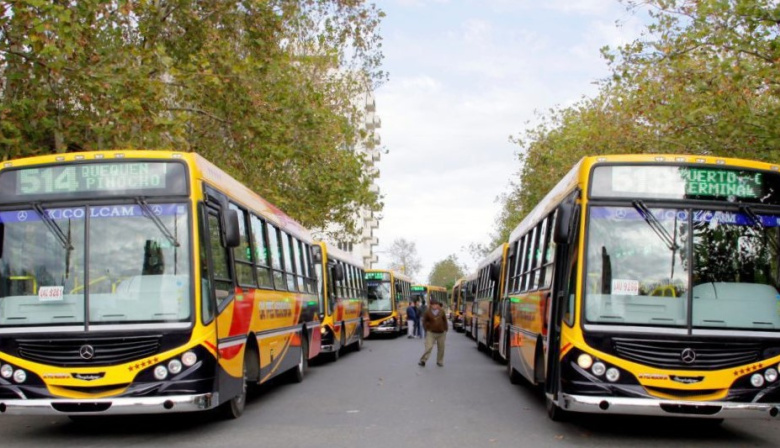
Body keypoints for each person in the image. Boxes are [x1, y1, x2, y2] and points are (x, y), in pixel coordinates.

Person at [418, 300, 448, 367]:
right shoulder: (427, 312)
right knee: (428, 347)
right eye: (433, 304)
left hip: (441, 333)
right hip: (431, 333)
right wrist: (426, 329)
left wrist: (445, 329)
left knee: (441, 348)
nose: (435, 306)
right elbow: (424, 321)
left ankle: (439, 361)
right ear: (431, 305)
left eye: (436, 304)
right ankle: (423, 360)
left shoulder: (442, 311)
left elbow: (445, 320)